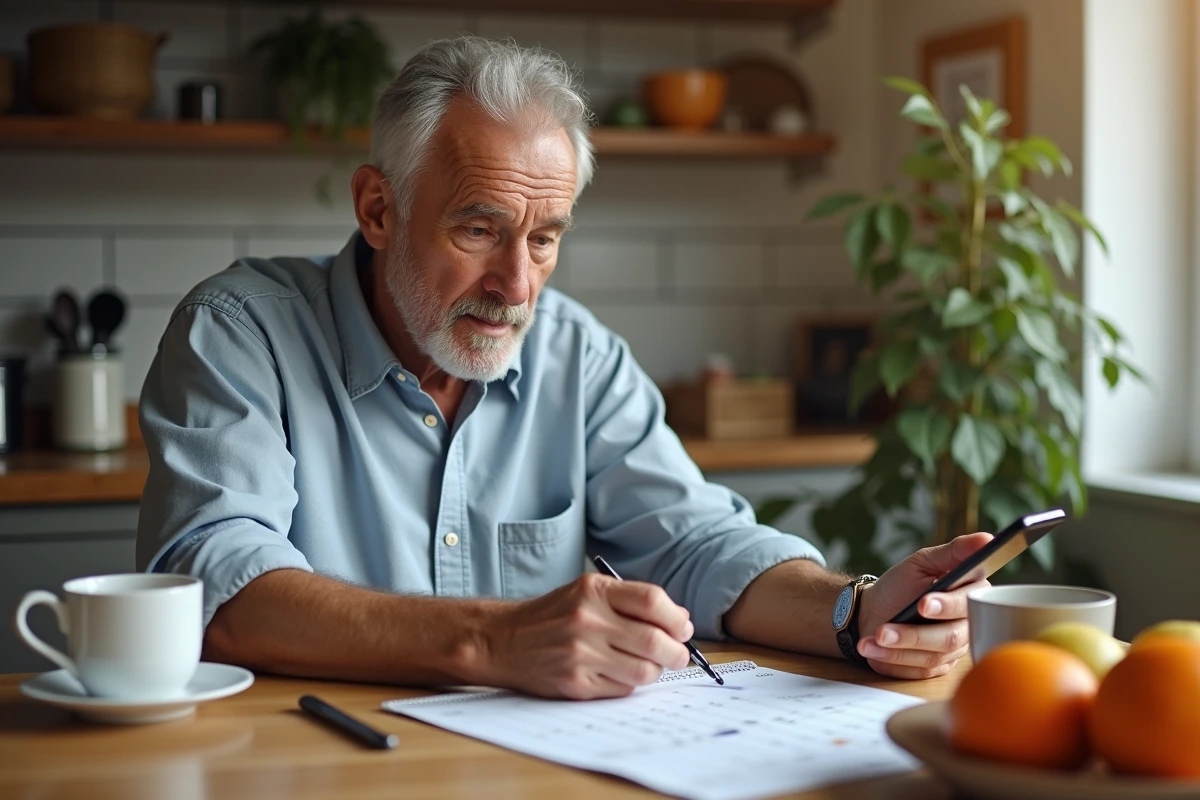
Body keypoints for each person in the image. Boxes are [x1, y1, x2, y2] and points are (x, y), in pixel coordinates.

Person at [136, 37, 990, 700]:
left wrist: (854, 612)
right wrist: (495, 639)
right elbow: (215, 579)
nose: (516, 284)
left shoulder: (577, 354)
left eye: (544, 239)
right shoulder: (240, 329)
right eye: (478, 229)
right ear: (379, 209)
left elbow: (697, 542)